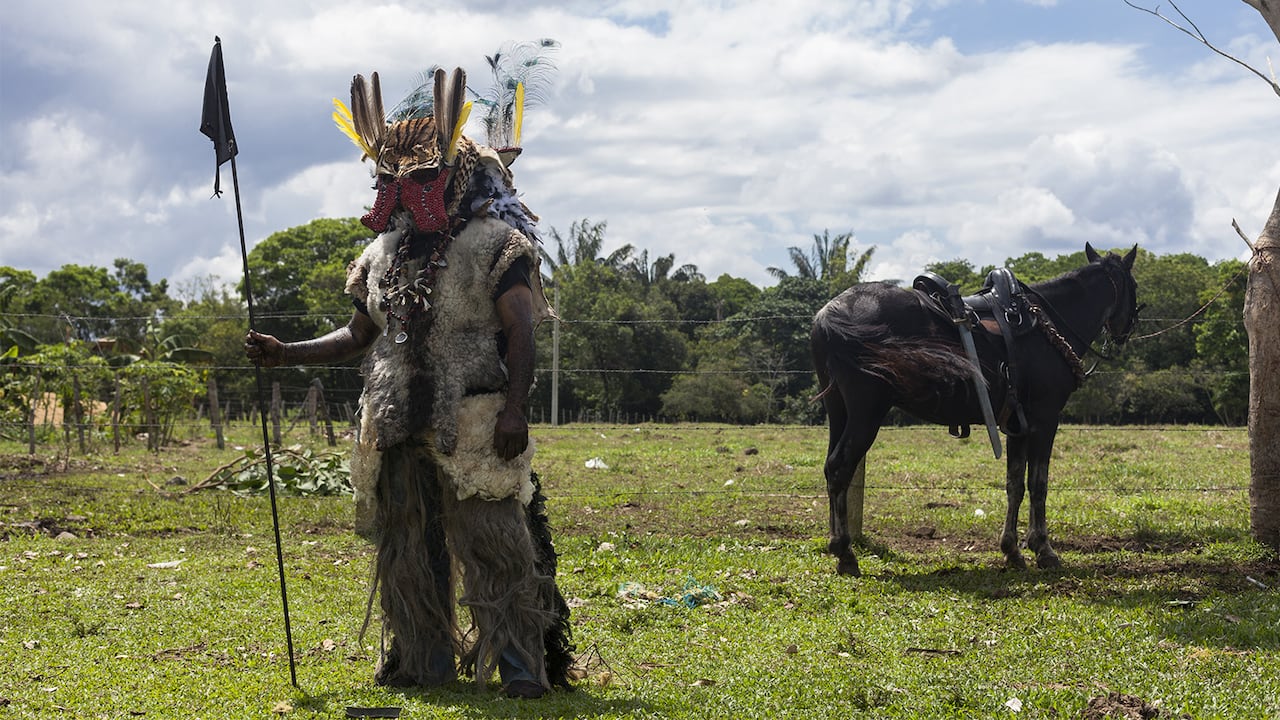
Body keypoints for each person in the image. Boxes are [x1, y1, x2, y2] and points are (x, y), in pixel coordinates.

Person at [244, 64, 572, 699]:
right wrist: (287, 353)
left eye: (419, 179)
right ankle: (424, 663)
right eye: (389, 180)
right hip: (395, 422)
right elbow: (356, 335)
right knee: (408, 552)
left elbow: (522, 331)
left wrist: (515, 410)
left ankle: (520, 669)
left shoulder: (495, 245)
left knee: (495, 545)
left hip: (474, 421)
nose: (401, 192)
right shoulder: (381, 257)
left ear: (451, 177)